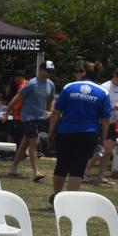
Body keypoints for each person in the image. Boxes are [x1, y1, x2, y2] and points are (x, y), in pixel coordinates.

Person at [47, 62, 113, 204]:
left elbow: (56, 112)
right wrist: (103, 138)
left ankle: (57, 196)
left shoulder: (69, 87)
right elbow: (106, 119)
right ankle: (69, 201)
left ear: (83, 73)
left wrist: (51, 130)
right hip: (88, 133)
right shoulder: (102, 92)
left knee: (62, 164)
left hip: (65, 131)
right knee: (78, 167)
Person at [7, 63, 55, 181]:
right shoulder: (32, 84)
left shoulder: (50, 84)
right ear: (41, 70)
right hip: (28, 117)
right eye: (48, 71)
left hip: (39, 118)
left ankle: (13, 168)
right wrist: (7, 110)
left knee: (25, 143)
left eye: (51, 71)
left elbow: (51, 98)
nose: (50, 73)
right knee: (35, 142)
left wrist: (50, 110)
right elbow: (18, 96)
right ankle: (36, 172)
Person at [85, 63, 116, 185]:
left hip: (114, 123)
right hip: (103, 122)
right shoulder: (105, 87)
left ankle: (100, 176)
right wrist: (113, 107)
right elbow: (98, 106)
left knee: (108, 151)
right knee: (104, 150)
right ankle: (85, 169)